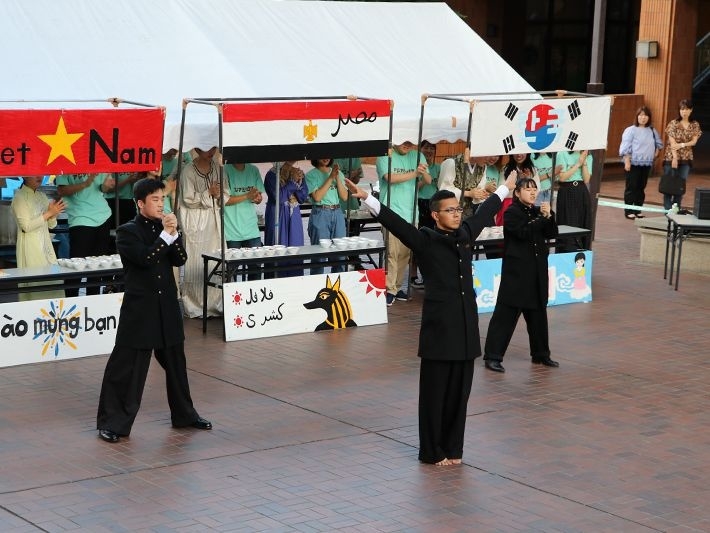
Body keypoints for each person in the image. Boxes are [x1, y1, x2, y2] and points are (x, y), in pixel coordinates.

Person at [345, 171, 517, 466]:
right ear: (436, 216)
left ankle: (453, 449)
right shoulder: (426, 239)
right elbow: (398, 226)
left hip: (465, 330)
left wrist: (505, 188)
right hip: (440, 330)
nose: (456, 214)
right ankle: (432, 451)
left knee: (459, 396)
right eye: (449, 210)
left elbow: (486, 210)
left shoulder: (465, 234)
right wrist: (370, 200)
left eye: (458, 209)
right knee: (435, 395)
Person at [96, 178, 212, 443]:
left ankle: (185, 414)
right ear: (140, 203)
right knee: (127, 369)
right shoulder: (127, 232)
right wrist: (165, 236)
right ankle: (113, 423)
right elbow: (146, 259)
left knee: (176, 364)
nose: (161, 205)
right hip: (141, 310)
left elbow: (180, 259)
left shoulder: (165, 228)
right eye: (155, 200)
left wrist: (174, 235)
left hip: (167, 307)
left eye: (163, 199)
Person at [483, 177, 559, 373]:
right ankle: (493, 356)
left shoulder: (537, 211)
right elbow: (523, 232)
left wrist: (549, 216)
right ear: (517, 193)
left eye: (534, 189)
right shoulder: (511, 213)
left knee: (538, 316)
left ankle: (541, 354)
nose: (532, 193)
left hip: (536, 273)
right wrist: (541, 219)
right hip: (517, 274)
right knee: (505, 316)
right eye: (527, 189)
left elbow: (552, 233)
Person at [375, 141, 431, 306]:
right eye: (404, 140)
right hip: (391, 211)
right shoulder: (386, 155)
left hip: (411, 212)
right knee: (392, 252)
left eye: (410, 141)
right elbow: (389, 178)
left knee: (406, 254)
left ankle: (396, 287)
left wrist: (423, 172)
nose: (407, 144)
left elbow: (427, 180)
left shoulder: (417, 155)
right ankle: (389, 288)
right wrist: (415, 173)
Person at [178, 146, 227, 318]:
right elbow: (188, 199)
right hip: (196, 223)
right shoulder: (188, 171)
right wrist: (208, 193)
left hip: (214, 220)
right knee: (197, 262)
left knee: (217, 261)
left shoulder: (218, 168)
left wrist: (219, 194)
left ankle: (217, 303)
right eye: (207, 148)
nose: (211, 151)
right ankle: (196, 304)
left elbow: (225, 192)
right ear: (197, 149)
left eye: (213, 147)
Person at [55, 173, 115, 296]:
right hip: (80, 218)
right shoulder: (65, 157)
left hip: (103, 216)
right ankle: (70, 306)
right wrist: (85, 183)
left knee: (97, 267)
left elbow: (103, 188)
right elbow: (61, 190)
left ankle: (93, 306)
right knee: (75, 268)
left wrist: (106, 186)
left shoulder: (99, 158)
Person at [10, 176, 66, 301]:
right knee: (35, 284)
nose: (39, 176)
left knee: (53, 282)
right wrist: (49, 213)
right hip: (30, 247)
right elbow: (26, 227)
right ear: (24, 176)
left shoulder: (42, 196)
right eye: (34, 174)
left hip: (46, 246)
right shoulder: (19, 198)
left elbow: (52, 225)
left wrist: (54, 213)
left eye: (40, 173)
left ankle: (54, 317)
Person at [263, 161, 309, 277]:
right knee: (278, 249)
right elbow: (279, 197)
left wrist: (297, 180)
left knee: (295, 249)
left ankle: (294, 285)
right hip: (278, 215)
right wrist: (292, 182)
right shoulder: (271, 175)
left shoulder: (297, 172)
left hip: (294, 216)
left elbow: (303, 197)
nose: (290, 164)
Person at [305, 158, 348, 274]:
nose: (325, 158)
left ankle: (338, 286)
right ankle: (316, 286)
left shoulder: (339, 174)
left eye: (328, 155)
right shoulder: (311, 175)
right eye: (321, 155)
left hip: (337, 212)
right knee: (319, 254)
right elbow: (317, 197)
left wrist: (337, 176)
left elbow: (344, 197)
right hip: (321, 212)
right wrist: (330, 177)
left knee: (340, 253)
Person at [619, 106, 663, 219]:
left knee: (641, 187)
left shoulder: (652, 130)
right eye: (641, 115)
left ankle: (638, 209)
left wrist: (656, 152)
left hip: (646, 164)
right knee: (631, 187)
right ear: (637, 116)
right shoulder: (631, 130)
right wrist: (627, 161)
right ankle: (628, 211)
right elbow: (626, 146)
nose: (643, 118)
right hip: (633, 163)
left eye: (645, 115)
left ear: (649, 117)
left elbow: (659, 143)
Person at [224, 162, 265, 280]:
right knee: (231, 272)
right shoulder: (224, 170)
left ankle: (253, 296)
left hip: (251, 228)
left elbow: (258, 197)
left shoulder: (253, 170)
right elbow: (224, 200)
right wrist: (247, 195)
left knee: (256, 268)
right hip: (230, 230)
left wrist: (257, 198)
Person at [662, 99, 702, 210]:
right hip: (671, 157)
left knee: (680, 185)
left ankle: (676, 208)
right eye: (682, 109)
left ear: (691, 110)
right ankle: (668, 210)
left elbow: (694, 142)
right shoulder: (673, 123)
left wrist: (682, 145)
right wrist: (675, 158)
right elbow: (672, 142)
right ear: (679, 110)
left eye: (687, 109)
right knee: (669, 184)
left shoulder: (694, 124)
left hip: (686, 158)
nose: (684, 112)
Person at [411, 140, 440, 287]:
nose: (429, 151)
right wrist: (423, 177)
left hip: (434, 205)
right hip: (420, 203)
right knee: (419, 239)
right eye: (426, 148)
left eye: (432, 148)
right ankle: (413, 274)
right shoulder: (417, 168)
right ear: (421, 149)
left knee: (432, 240)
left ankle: (428, 274)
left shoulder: (438, 168)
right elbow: (413, 188)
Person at [439, 153, 499, 220]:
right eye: (486, 155)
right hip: (449, 212)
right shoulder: (452, 162)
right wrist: (468, 193)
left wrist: (481, 194)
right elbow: (443, 190)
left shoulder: (483, 167)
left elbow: (479, 188)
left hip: (468, 214)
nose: (488, 158)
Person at [554, 150, 592, 252]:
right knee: (567, 222)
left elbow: (586, 179)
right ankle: (566, 252)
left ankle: (582, 252)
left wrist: (583, 162)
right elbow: (562, 178)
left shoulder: (588, 156)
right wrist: (578, 164)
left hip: (581, 191)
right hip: (566, 190)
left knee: (583, 222)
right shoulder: (562, 153)